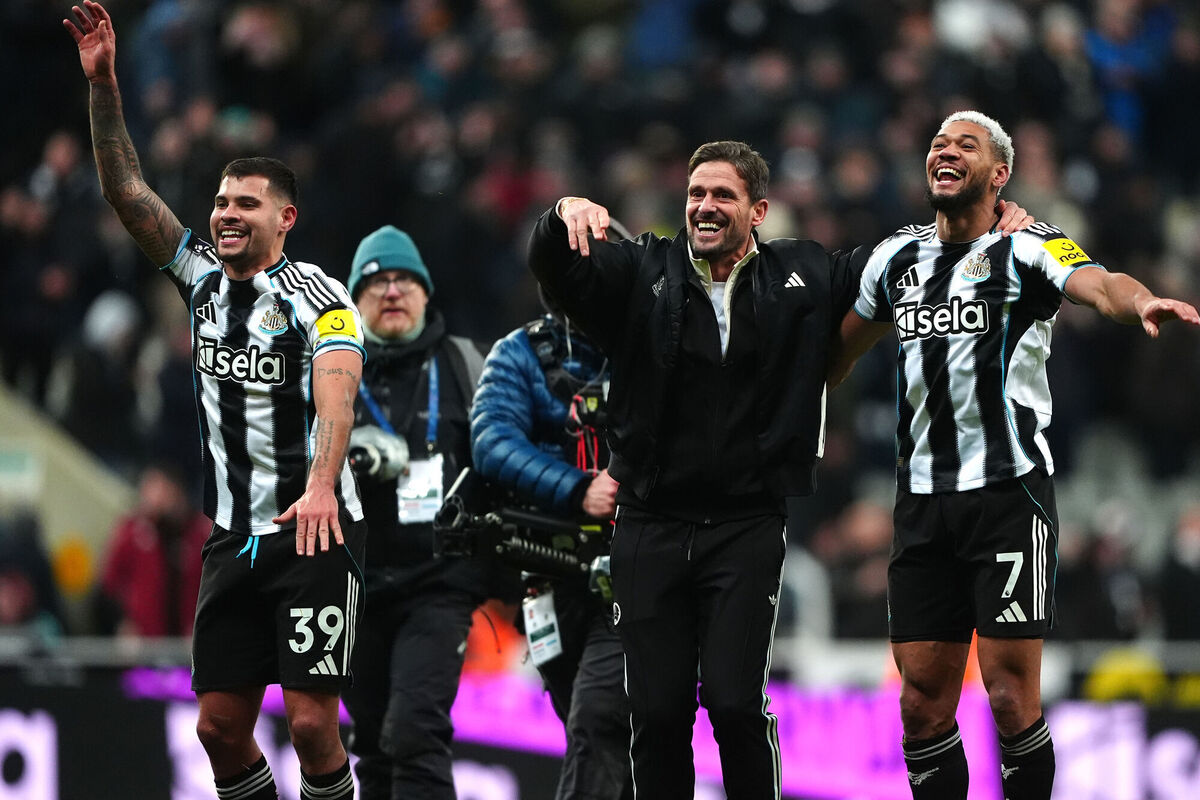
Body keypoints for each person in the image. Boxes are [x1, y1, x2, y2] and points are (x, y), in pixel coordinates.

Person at [527, 139, 1033, 798]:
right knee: (655, 713)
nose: (704, 208)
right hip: (649, 521)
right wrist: (559, 213)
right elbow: (555, 269)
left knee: (735, 705)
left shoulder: (804, 275)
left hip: (746, 523)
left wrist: (981, 226)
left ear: (759, 209)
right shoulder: (641, 269)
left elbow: (895, 260)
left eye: (722, 196)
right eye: (695, 195)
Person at [828, 110, 1200, 800]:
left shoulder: (1028, 244)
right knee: (921, 703)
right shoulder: (895, 258)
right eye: (937, 142)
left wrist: (1140, 300)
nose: (945, 150)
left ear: (999, 174)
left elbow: (1098, 281)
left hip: (1008, 494)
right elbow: (835, 355)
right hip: (920, 504)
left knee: (1006, 695)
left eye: (965, 145)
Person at [66, 5, 367, 799]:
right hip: (233, 536)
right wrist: (105, 89)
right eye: (222, 202)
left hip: (314, 529)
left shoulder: (320, 296)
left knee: (309, 723)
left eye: (246, 204)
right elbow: (126, 188)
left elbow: (338, 384)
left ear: (285, 219)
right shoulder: (198, 279)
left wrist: (321, 485)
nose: (226, 214)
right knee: (216, 729)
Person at [340, 224, 496, 800]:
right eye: (375, 282)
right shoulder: (332, 375)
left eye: (404, 278)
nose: (392, 290)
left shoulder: (469, 367)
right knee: (374, 748)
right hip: (354, 590)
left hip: (438, 586)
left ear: (427, 293)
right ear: (354, 302)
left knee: (414, 731)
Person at [470, 299, 632, 800]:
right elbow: (490, 442)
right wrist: (577, 488)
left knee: (597, 718)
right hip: (548, 580)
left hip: (639, 574)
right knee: (591, 731)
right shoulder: (519, 352)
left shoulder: (652, 342)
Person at [95, 462, 210, 637]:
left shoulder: (199, 533)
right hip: (144, 643)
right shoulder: (131, 532)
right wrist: (122, 623)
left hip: (190, 643)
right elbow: (108, 587)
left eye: (162, 490)